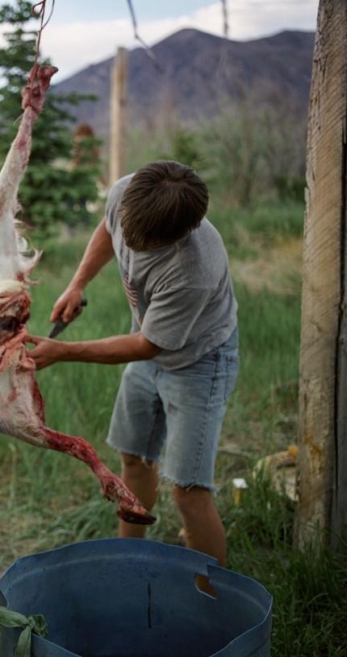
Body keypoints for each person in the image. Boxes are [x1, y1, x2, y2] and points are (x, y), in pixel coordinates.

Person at [26, 160, 239, 574]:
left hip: (199, 362)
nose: (134, 247)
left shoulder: (193, 269)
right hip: (148, 348)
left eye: (148, 243)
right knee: (134, 459)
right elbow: (108, 229)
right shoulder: (127, 192)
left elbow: (147, 344)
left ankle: (211, 595)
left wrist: (63, 350)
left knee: (189, 492)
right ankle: (128, 566)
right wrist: (77, 283)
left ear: (180, 233)